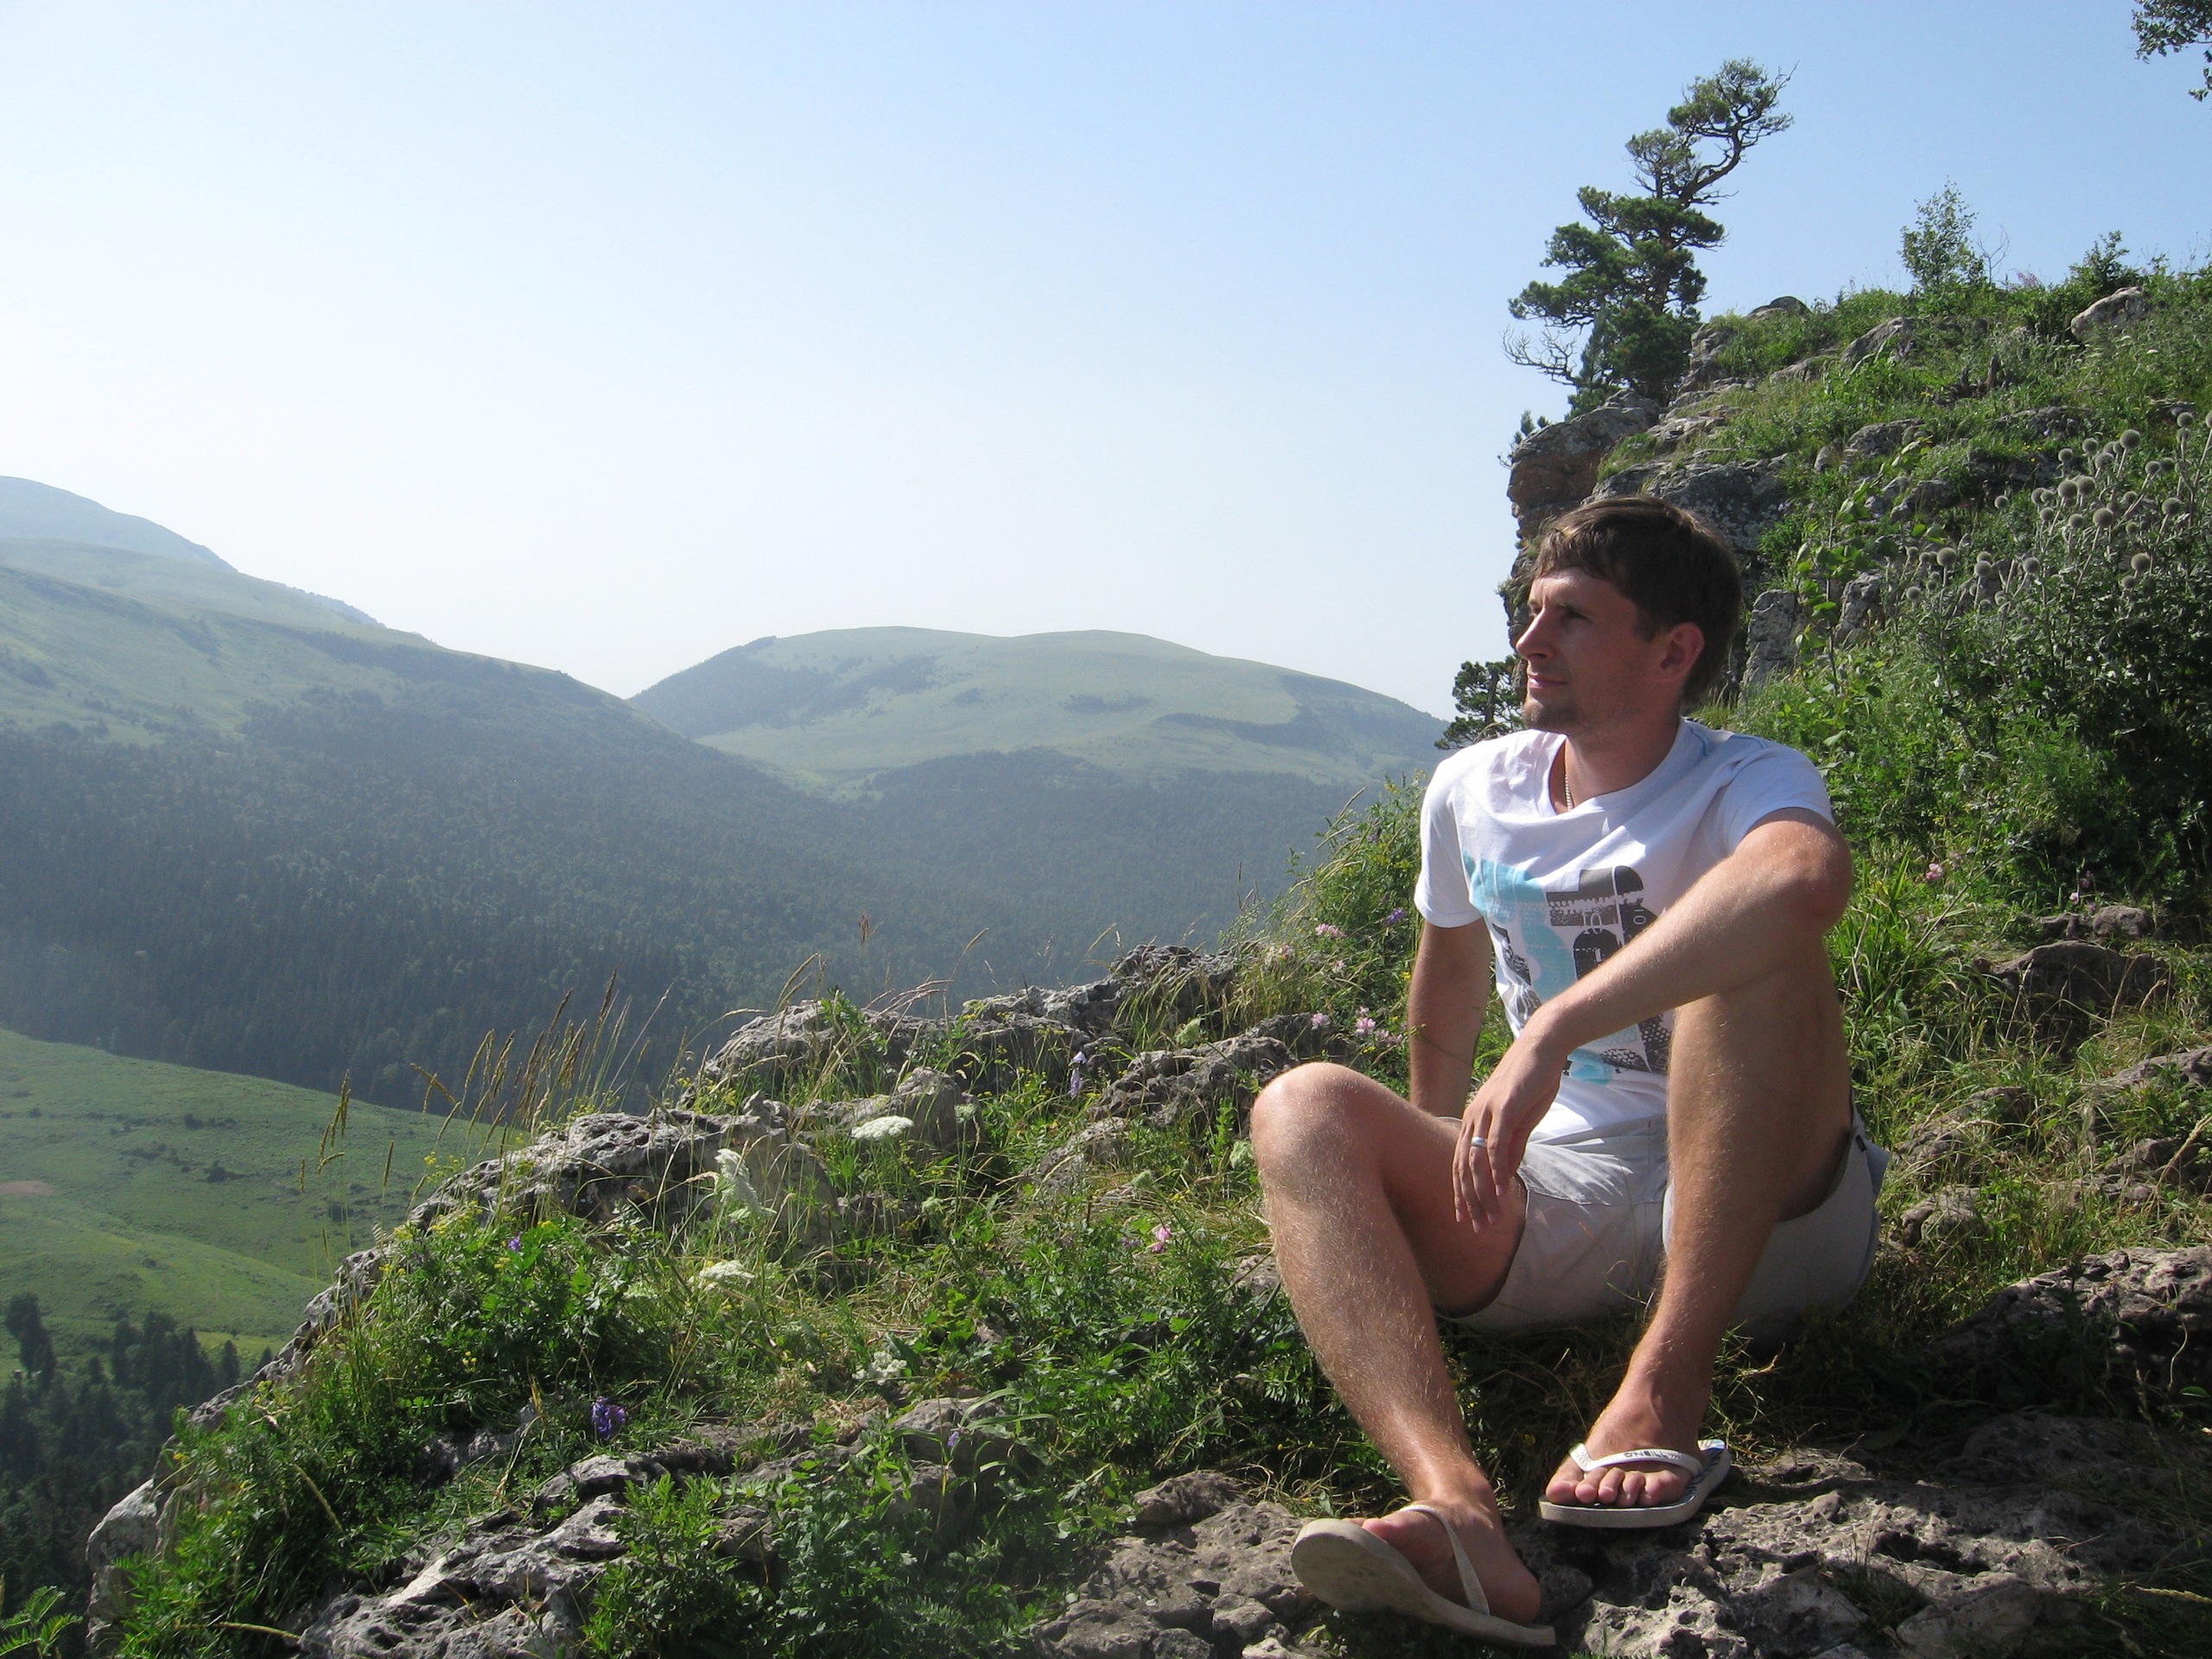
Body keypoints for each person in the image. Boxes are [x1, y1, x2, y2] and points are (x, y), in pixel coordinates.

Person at [1256, 496, 1885, 1647]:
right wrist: (1429, 1163)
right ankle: (1456, 1514)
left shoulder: (1743, 779)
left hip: (1770, 1212)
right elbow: (1449, 974)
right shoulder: (1473, 789)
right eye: (1532, 611)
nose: (1529, 642)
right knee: (1300, 1104)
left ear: (1672, 652)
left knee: (1748, 948)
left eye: (1572, 618)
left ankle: (1663, 1392)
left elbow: (1803, 882)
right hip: (1565, 1199)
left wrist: (1553, 1029)